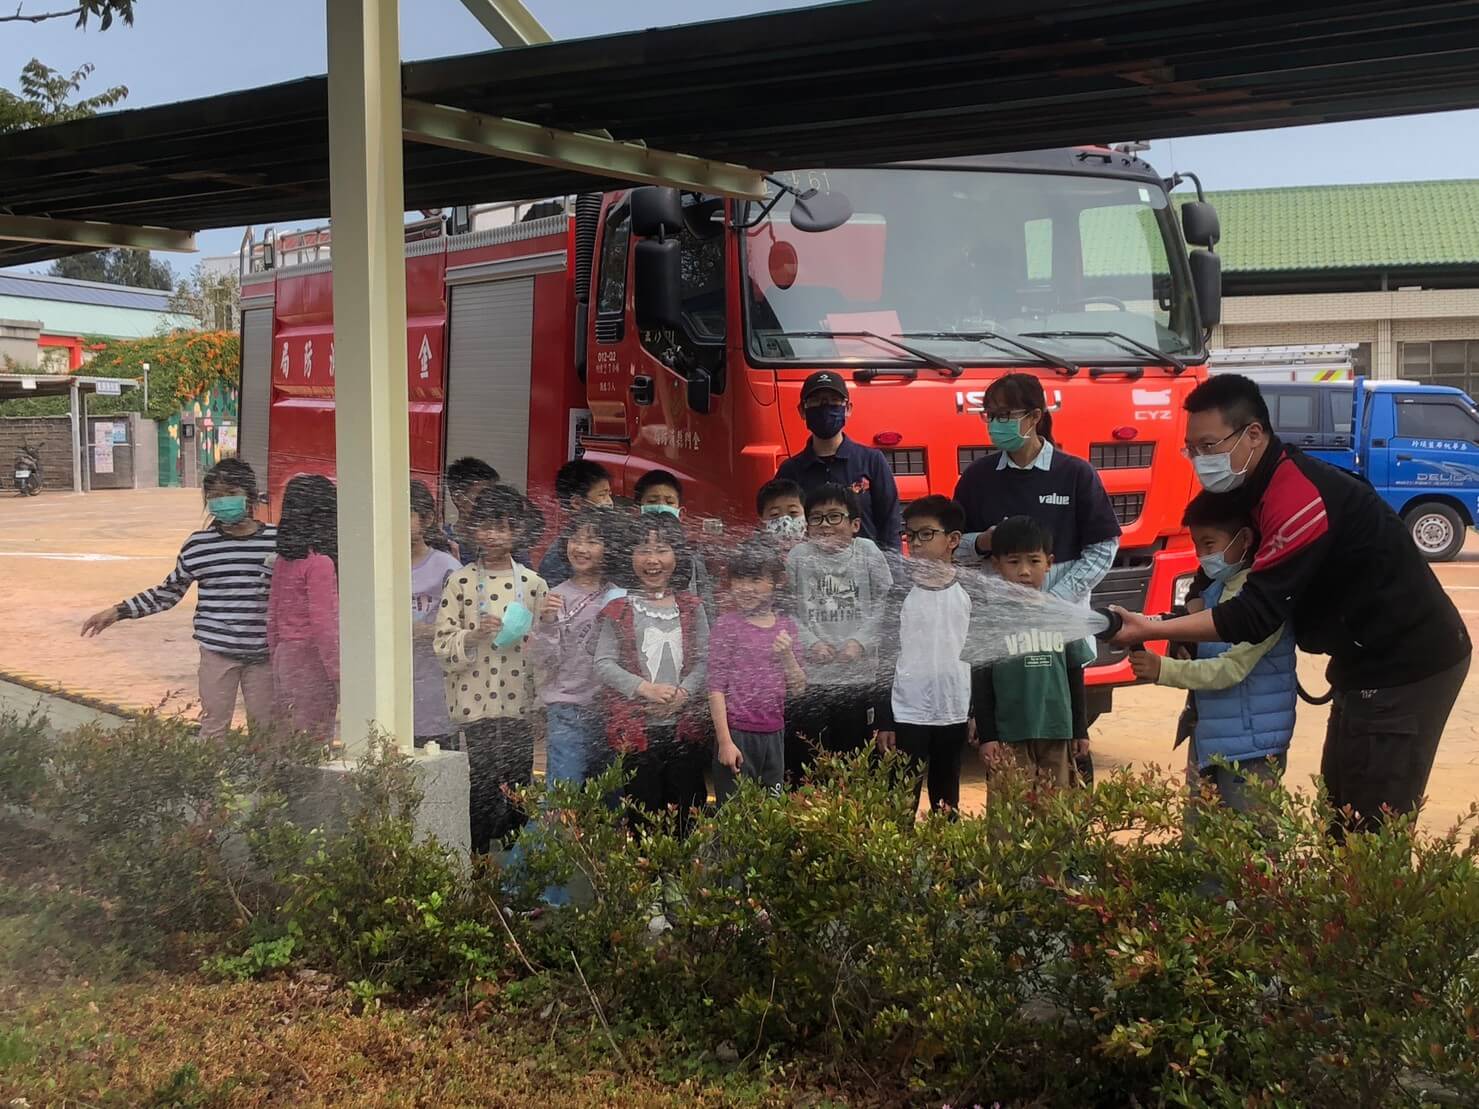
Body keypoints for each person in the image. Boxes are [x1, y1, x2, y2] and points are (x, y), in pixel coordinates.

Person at [1108, 374, 1471, 834]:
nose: (1201, 460)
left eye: (1209, 446)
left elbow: (1253, 614)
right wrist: (1185, 618)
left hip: (1409, 665)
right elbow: (1213, 573)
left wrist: (1152, 629)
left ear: (1253, 434)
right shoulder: (1250, 489)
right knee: (1340, 814)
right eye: (1192, 449)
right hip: (1359, 663)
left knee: (1371, 827)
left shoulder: (1296, 496)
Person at [952, 372, 1119, 784]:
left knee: (1062, 745)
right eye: (990, 415)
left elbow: (1104, 547)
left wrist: (1052, 600)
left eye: (1005, 415)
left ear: (1035, 417)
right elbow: (954, 548)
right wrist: (984, 541)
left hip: (1058, 626)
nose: (996, 424)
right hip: (1001, 630)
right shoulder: (977, 478)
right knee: (1007, 742)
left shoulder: (1074, 473)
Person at [81, 458, 277, 739]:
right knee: (214, 727)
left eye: (231, 493)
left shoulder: (276, 541)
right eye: (215, 496)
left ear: (250, 495)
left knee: (268, 728)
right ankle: (213, 770)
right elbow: (168, 592)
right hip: (217, 652)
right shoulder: (199, 545)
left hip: (265, 654)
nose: (223, 501)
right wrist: (119, 611)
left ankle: (269, 770)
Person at [1128, 493, 1296, 811]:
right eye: (1196, 545)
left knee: (1249, 838)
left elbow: (1229, 669)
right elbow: (1198, 636)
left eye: (1209, 545)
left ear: (1244, 539)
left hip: (1252, 750)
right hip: (1210, 739)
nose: (1202, 556)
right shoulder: (1214, 589)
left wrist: (1162, 669)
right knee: (1200, 836)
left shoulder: (1264, 599)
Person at [433, 484, 549, 854]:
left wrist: (542, 701)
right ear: (473, 528)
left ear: (518, 531)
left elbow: (547, 649)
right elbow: (442, 643)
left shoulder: (533, 584)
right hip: (475, 701)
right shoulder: (460, 580)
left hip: (520, 702)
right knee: (481, 782)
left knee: (520, 783)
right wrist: (472, 635)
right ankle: (477, 860)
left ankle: (518, 865)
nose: (493, 535)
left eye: (502, 527)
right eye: (486, 526)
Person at [593, 511, 711, 835]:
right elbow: (603, 663)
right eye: (643, 550)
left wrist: (683, 693)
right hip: (637, 734)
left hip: (684, 732)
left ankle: (684, 869)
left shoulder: (691, 606)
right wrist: (646, 689)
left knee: (688, 812)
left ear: (677, 555)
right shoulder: (619, 609)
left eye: (662, 549)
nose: (652, 559)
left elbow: (706, 660)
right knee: (643, 816)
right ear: (629, 556)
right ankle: (647, 871)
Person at [874, 496, 982, 816]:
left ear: (953, 540)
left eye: (926, 534)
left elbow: (979, 657)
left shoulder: (970, 593)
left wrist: (977, 713)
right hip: (907, 712)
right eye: (910, 535)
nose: (916, 544)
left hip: (953, 710)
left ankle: (944, 848)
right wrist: (885, 720)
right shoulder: (899, 593)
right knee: (900, 801)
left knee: (946, 801)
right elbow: (885, 657)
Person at [973, 516, 1092, 789]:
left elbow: (1075, 675)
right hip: (1008, 735)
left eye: (1034, 561)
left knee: (1056, 807)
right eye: (1014, 562)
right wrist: (988, 736)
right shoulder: (989, 619)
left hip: (1057, 732)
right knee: (1009, 809)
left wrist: (1080, 730)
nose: (1024, 571)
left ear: (1049, 563)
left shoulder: (1063, 615)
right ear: (997, 565)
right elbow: (981, 683)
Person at [785, 482, 893, 761]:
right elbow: (786, 609)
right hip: (812, 680)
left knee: (855, 759)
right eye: (816, 518)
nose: (825, 525)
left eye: (834, 516)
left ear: (855, 524)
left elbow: (886, 604)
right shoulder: (798, 557)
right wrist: (811, 643)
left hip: (860, 679)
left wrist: (860, 642)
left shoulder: (868, 552)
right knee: (812, 758)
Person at [530, 508, 625, 790]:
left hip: (608, 708)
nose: (581, 548)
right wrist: (547, 622)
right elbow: (545, 660)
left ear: (609, 548)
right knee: (564, 791)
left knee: (609, 792)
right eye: (575, 539)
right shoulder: (556, 596)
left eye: (592, 541)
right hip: (566, 708)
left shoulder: (619, 596)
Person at [709, 543, 806, 803]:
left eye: (755, 580)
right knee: (734, 812)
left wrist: (787, 656)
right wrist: (725, 742)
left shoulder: (787, 627)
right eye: (739, 579)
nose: (745, 588)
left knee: (771, 809)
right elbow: (715, 688)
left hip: (774, 732)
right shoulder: (726, 625)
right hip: (737, 733)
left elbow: (799, 687)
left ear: (776, 582)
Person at [774, 370, 902, 551]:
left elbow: (891, 524)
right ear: (802, 410)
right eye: (816, 401)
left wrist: (891, 566)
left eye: (834, 401)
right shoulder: (790, 470)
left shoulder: (872, 461)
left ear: (848, 408)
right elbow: (780, 524)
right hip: (811, 566)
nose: (825, 407)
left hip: (865, 566)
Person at [266, 474, 340, 743]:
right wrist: (337, 671)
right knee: (316, 737)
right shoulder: (320, 563)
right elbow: (324, 625)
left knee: (289, 735)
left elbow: (273, 616)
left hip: (285, 658)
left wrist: (276, 656)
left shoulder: (284, 561)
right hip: (313, 661)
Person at [409, 480, 462, 750]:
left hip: (435, 694)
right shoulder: (378, 565)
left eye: (405, 515)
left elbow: (465, 626)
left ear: (427, 519)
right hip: (390, 695)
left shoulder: (447, 567)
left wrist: (427, 631)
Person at [633, 469, 715, 616]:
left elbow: (705, 601)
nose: (661, 507)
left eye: (669, 502)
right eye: (652, 502)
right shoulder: (629, 548)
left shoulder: (692, 555)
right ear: (637, 510)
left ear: (681, 514)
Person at [538, 459, 614, 588]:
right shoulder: (556, 559)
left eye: (609, 494)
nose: (609, 502)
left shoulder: (613, 535)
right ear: (577, 503)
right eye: (602, 495)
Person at [443, 456, 499, 564]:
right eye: (483, 495)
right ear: (458, 498)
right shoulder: (442, 541)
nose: (490, 501)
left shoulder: (503, 541)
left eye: (493, 496)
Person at [756, 477, 808, 558]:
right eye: (775, 514)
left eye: (793, 512)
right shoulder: (752, 553)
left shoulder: (816, 548)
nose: (785, 523)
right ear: (761, 523)